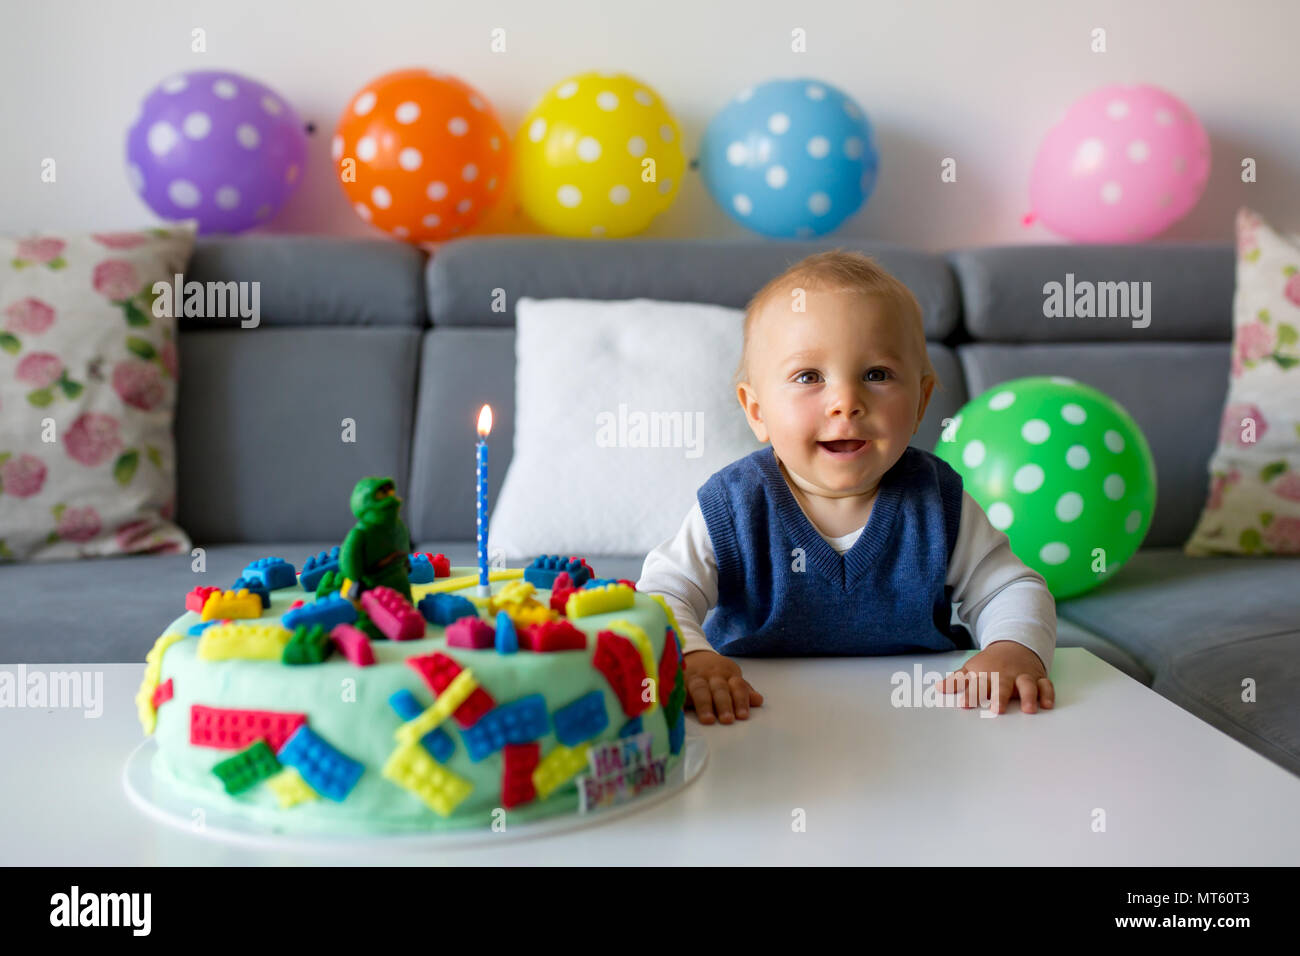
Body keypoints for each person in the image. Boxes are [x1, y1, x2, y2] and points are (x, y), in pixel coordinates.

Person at [637, 250, 1057, 723]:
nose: (846, 402)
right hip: (755, 717)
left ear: (920, 402)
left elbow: (1010, 588)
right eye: (809, 377)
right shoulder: (735, 505)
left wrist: (1012, 648)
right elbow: (662, 592)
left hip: (922, 719)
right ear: (757, 412)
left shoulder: (936, 501)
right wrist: (692, 658)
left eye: (876, 374)